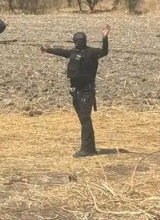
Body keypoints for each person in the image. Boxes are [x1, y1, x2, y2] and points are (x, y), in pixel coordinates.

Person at [39, 24, 110, 158]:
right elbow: (60, 51)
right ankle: (89, 147)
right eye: (77, 40)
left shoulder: (91, 53)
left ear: (85, 41)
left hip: (86, 91)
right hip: (75, 91)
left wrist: (105, 38)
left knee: (85, 119)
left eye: (81, 40)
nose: (79, 42)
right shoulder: (73, 52)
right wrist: (47, 50)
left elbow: (104, 52)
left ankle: (88, 149)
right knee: (83, 119)